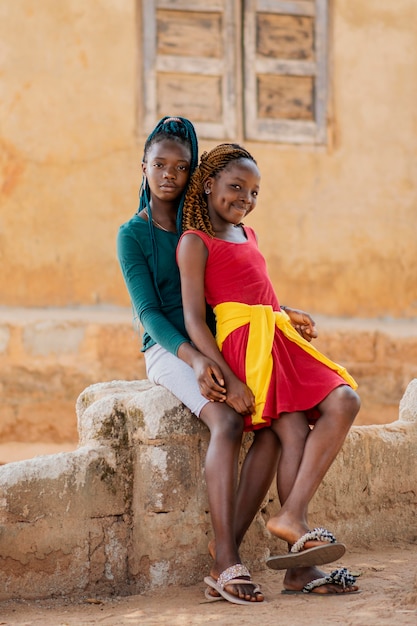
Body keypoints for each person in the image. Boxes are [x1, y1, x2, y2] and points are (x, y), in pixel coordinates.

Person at [117, 117, 324, 604]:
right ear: (143, 167)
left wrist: (282, 312)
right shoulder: (133, 234)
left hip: (221, 343)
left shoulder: (202, 227)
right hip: (170, 350)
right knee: (229, 422)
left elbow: (237, 290)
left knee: (274, 423)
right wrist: (196, 362)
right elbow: (149, 313)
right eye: (159, 164)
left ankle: (231, 542)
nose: (169, 174)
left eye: (181, 166)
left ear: (195, 174)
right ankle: (225, 560)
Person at [177, 143, 361, 595]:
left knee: (343, 399)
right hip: (247, 348)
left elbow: (260, 293)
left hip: (276, 337)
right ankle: (291, 552)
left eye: (254, 191)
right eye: (236, 187)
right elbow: (195, 320)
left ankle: (291, 523)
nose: (245, 198)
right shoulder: (195, 242)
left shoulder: (249, 234)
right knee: (293, 428)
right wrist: (231, 378)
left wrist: (287, 310)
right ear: (208, 185)